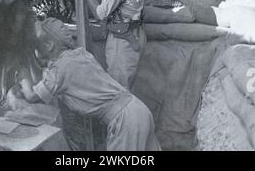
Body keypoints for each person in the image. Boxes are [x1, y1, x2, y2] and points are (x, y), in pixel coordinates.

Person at [17, 17, 161, 151]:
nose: (35, 52)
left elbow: (31, 96)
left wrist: (23, 73)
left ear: (49, 45)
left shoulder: (61, 68)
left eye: (37, 46)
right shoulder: (80, 54)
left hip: (125, 121)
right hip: (138, 109)